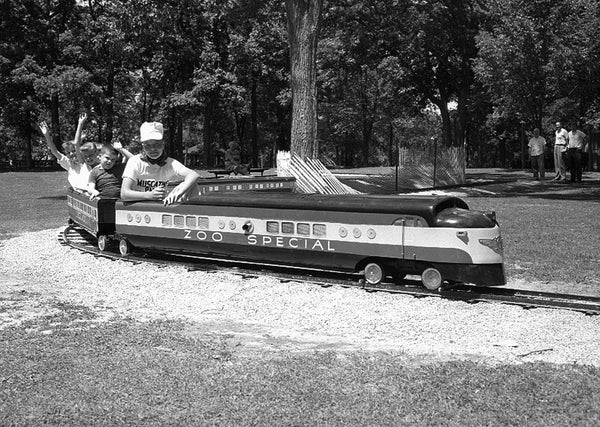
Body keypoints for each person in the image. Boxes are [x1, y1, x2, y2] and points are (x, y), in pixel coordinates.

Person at [120, 121, 200, 205]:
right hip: (138, 209)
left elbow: (194, 175)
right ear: (142, 146)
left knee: (192, 186)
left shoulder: (170, 163)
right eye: (147, 145)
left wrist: (180, 191)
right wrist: (150, 195)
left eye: (157, 144)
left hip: (160, 208)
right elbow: (124, 194)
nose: (152, 149)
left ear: (163, 144)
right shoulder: (135, 161)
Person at [37, 113, 87, 189]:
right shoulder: (69, 164)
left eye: (73, 151)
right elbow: (54, 152)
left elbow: (76, 144)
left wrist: (80, 123)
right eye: (68, 153)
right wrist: (47, 135)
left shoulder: (84, 162)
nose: (71, 154)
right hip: (76, 196)